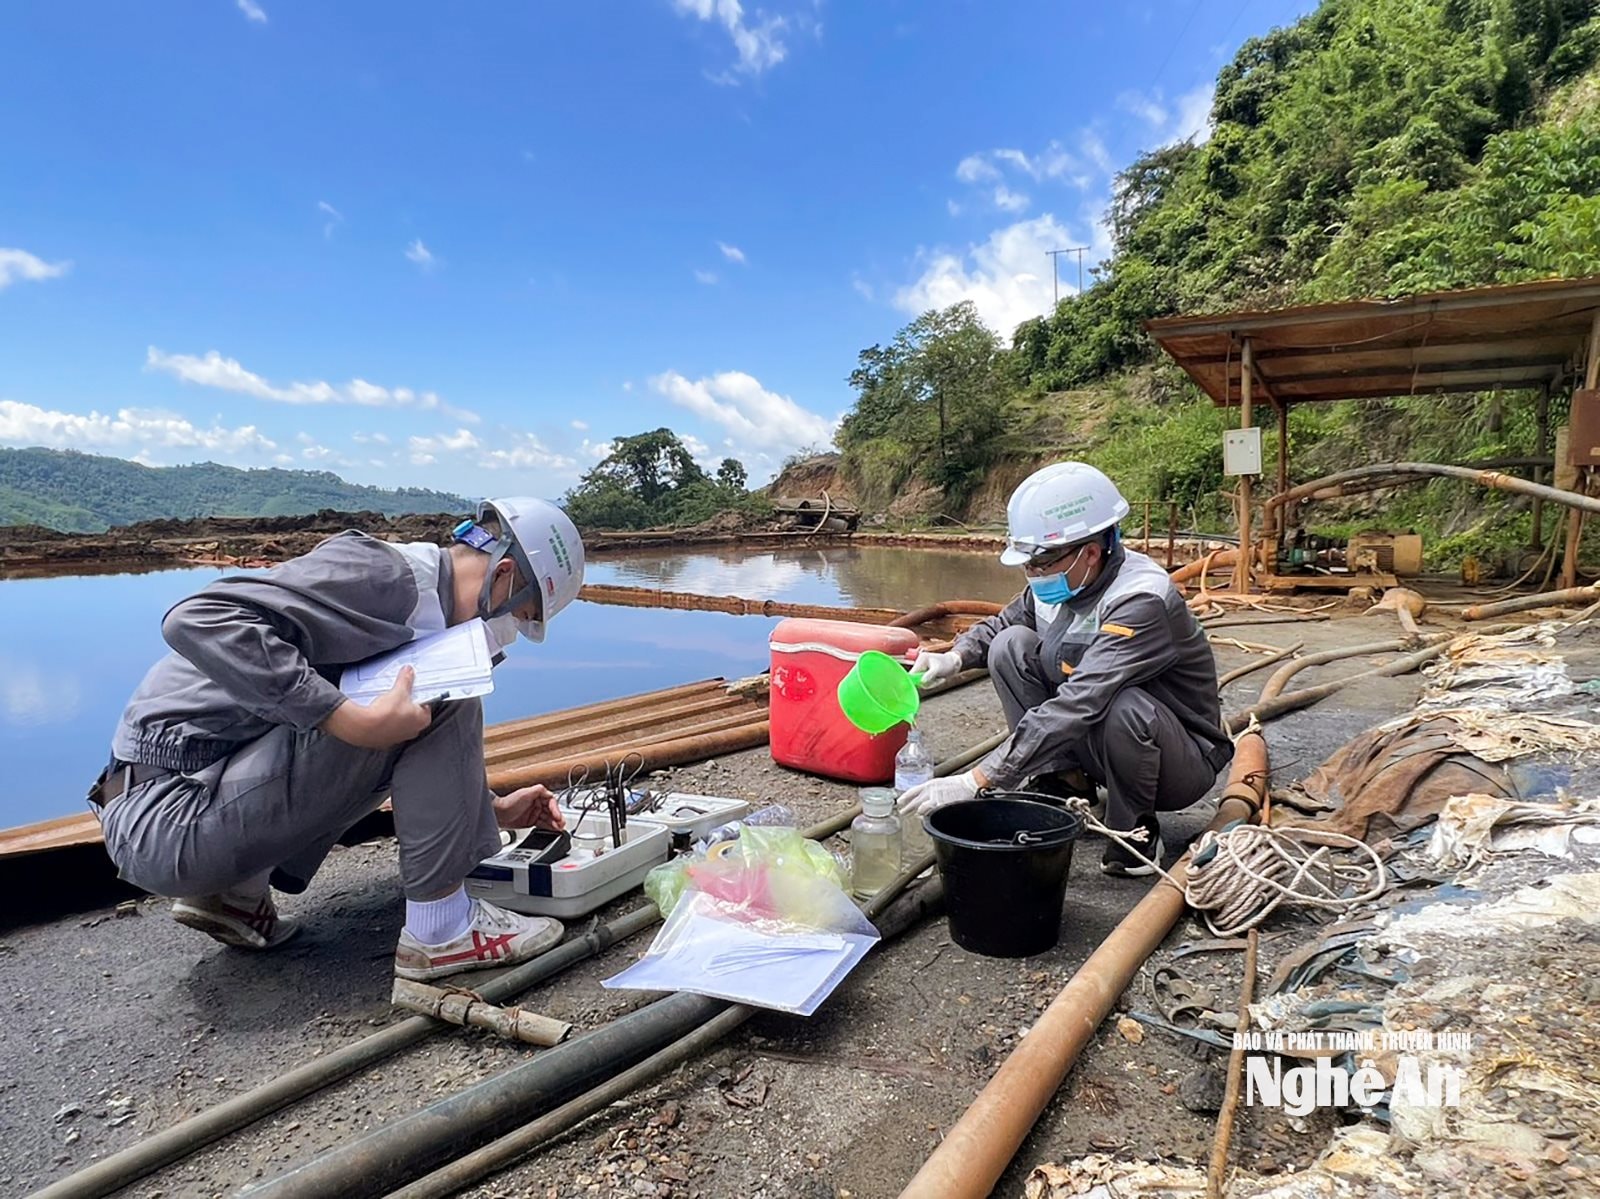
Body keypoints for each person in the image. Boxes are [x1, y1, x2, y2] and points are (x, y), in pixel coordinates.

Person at [89, 498, 584, 980]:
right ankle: (443, 931)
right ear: (503, 579)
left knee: (401, 702)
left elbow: (340, 740)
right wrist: (346, 719)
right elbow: (197, 618)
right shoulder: (384, 576)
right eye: (521, 617)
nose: (512, 633)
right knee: (439, 695)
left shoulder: (414, 609)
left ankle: (232, 894)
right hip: (167, 819)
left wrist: (488, 807)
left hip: (174, 802)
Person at [897, 463, 1232, 876]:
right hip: (1101, 739)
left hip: (1177, 759)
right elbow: (1002, 624)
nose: (1031, 575)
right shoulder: (1065, 578)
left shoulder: (1140, 598)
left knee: (1122, 703)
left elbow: (1081, 701)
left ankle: (1136, 830)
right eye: (1027, 565)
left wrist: (978, 780)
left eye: (1038, 564)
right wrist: (955, 657)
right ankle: (1065, 781)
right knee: (1009, 646)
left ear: (1090, 552)